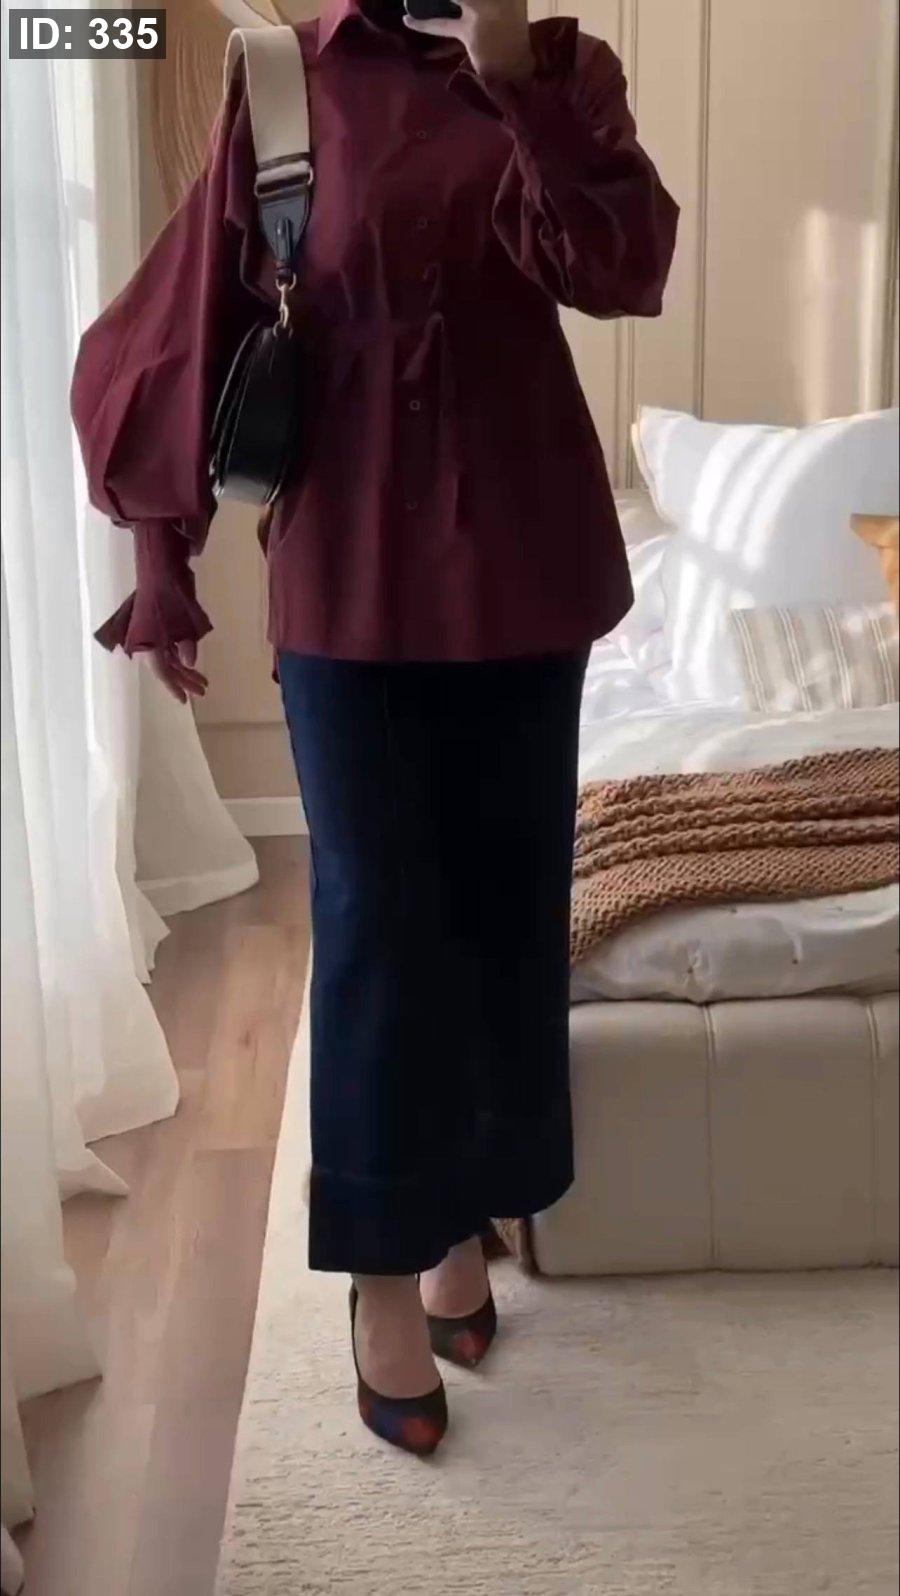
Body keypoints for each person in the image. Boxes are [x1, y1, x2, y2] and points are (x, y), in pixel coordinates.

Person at [71, 0, 678, 1456]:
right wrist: (161, 561)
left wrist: (512, 77)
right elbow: (188, 324)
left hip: (525, 574)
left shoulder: (561, 71)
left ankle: (466, 1213)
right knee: (378, 927)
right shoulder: (286, 75)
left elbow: (621, 268)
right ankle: (383, 1272)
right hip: (349, 579)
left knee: (504, 914)